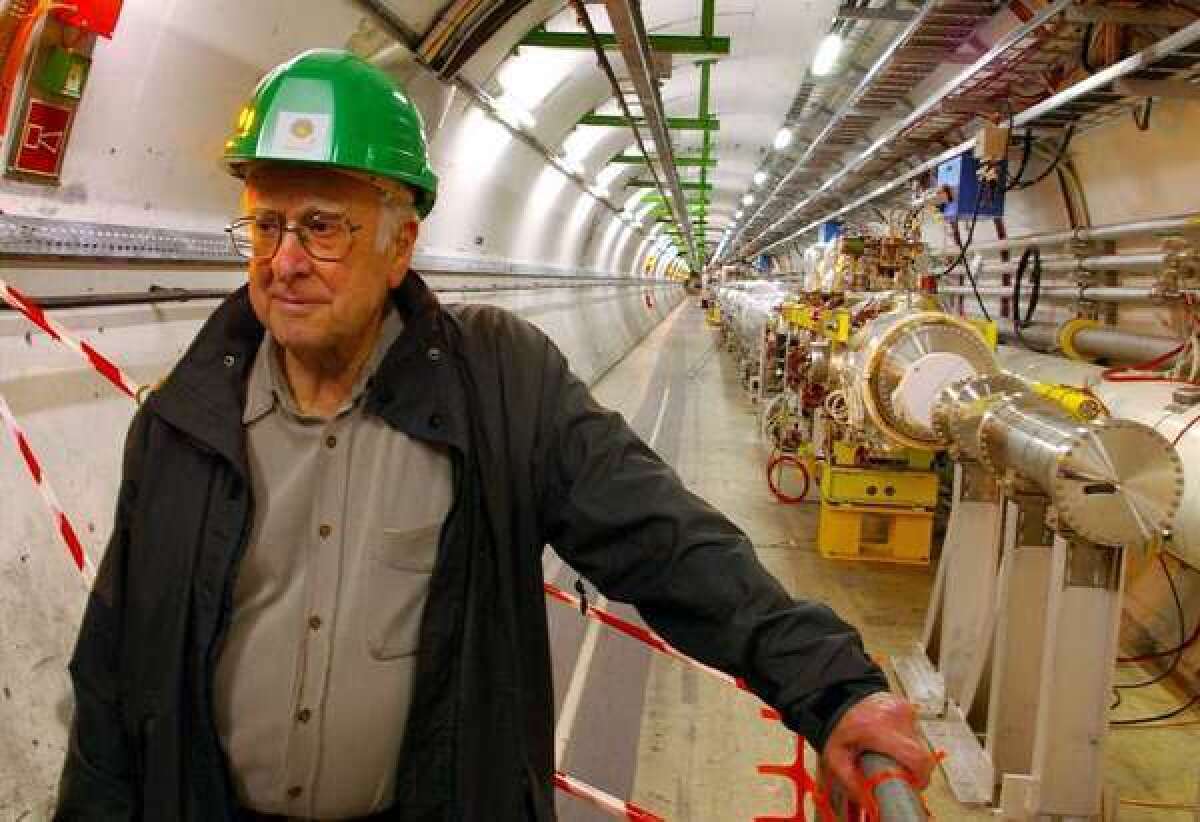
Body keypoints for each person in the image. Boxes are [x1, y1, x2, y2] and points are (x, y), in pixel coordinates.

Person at [56, 49, 934, 821]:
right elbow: (111, 676)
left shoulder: (497, 385)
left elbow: (662, 539)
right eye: (266, 222)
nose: (284, 258)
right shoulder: (182, 421)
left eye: (322, 226)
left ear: (401, 246)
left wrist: (829, 687)